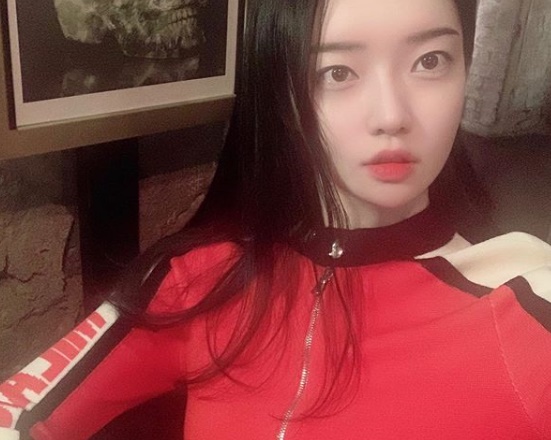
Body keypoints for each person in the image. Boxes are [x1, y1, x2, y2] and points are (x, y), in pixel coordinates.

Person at [1, 0, 551, 438]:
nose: (391, 115)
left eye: (429, 61)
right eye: (338, 71)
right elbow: (19, 412)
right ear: (283, 95)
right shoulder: (201, 279)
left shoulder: (528, 303)